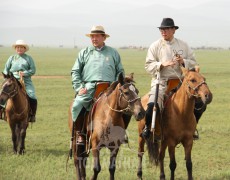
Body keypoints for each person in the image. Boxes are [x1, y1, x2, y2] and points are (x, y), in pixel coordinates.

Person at [141, 18, 205, 140]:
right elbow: (148, 66)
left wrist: (183, 61)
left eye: (166, 29)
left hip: (181, 83)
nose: (163, 31)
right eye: (161, 29)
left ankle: (192, 128)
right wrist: (161, 64)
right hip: (161, 82)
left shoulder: (183, 45)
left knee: (201, 103)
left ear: (173, 30)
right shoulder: (155, 46)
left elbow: (194, 64)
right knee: (151, 106)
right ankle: (148, 128)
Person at [71, 25, 125, 144]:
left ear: (104, 38)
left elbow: (120, 71)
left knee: (127, 104)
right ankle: (81, 133)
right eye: (92, 36)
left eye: (97, 36)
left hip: (110, 87)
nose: (94, 39)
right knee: (77, 105)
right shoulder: (84, 52)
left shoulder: (113, 53)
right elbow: (75, 71)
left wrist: (117, 86)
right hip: (89, 87)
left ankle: (122, 132)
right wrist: (79, 87)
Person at [1, 40, 37, 122]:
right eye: (18, 47)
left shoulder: (28, 58)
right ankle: (2, 113)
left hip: (25, 80)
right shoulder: (12, 58)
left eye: (21, 47)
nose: (19, 49)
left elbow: (33, 70)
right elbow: (6, 69)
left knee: (32, 95)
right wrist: (7, 76)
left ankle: (32, 115)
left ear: (24, 49)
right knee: (3, 93)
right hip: (12, 80)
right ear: (15, 49)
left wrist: (25, 73)